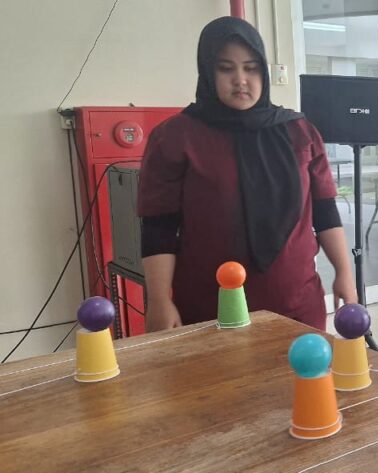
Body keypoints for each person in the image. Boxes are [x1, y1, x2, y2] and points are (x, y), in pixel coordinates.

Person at [137, 17, 356, 332]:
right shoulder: (176, 137)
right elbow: (159, 226)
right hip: (209, 307)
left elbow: (324, 211)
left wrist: (344, 273)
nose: (240, 80)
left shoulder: (299, 132)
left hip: (295, 301)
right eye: (226, 69)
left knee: (302, 367)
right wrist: (159, 300)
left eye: (251, 68)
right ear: (208, 72)